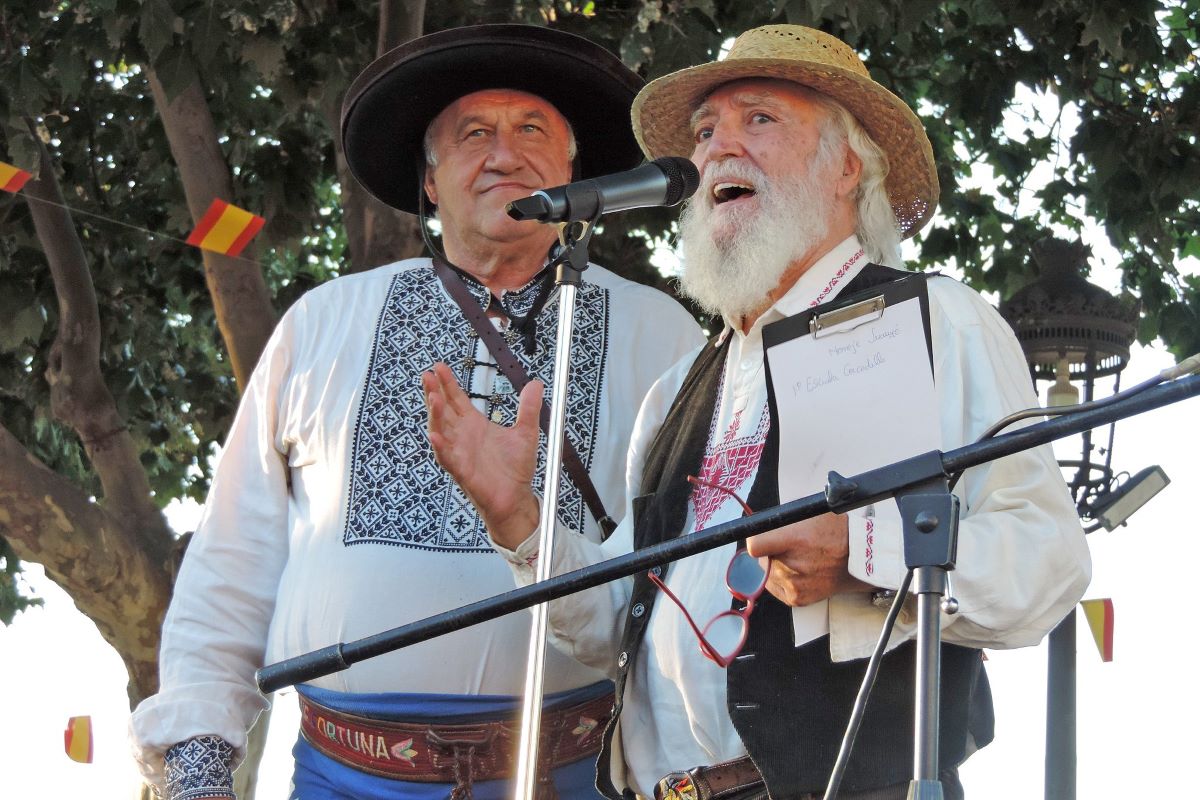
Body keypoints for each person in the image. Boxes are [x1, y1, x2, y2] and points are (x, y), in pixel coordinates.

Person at [424, 24, 1092, 800]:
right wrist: (521, 521)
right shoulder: (678, 387)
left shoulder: (934, 318)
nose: (717, 148)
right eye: (705, 131)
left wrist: (864, 551)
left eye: (760, 119)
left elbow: (1047, 561)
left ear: (848, 166)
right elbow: (618, 620)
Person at [129, 24, 704, 800]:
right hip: (347, 777)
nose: (505, 153)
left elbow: (692, 570)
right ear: (430, 184)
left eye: (532, 129)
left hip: (577, 771)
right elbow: (234, 558)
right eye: (474, 134)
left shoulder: (662, 332)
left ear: (573, 166)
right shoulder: (323, 321)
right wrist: (198, 765)